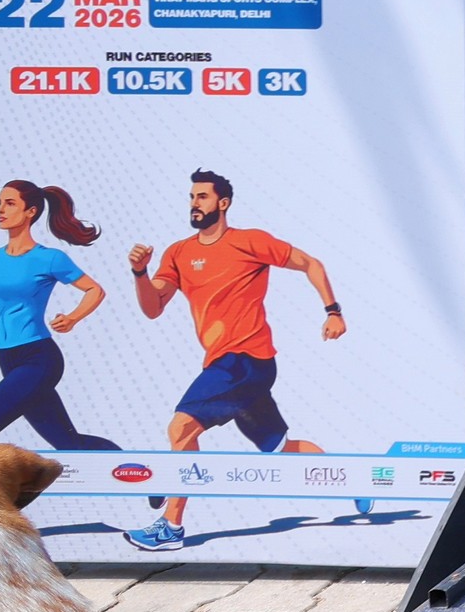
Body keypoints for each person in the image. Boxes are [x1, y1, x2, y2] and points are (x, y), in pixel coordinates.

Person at [122, 170, 347, 549]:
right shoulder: (178, 252)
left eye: (203, 197)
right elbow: (153, 307)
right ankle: (351, 481)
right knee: (280, 448)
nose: (195, 203)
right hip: (226, 365)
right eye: (192, 197)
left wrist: (333, 311)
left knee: (181, 428)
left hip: (246, 358)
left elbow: (311, 263)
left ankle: (171, 527)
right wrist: (140, 272)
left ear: (222, 203)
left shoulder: (249, 241)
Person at [0, 178, 118, 452]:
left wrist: (72, 318)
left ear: (30, 212)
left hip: (38, 358)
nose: (0, 209)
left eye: (10, 203)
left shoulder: (49, 258)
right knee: (68, 443)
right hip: (6, 357)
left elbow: (94, 290)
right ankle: (130, 468)